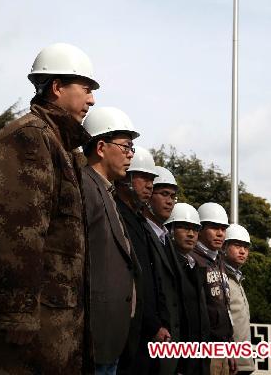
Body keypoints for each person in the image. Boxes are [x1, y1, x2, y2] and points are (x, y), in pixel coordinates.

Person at [0, 42, 99, 375]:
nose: (92, 99)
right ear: (57, 87)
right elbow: (15, 233)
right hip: (19, 346)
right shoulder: (28, 138)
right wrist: (18, 314)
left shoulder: (65, 149)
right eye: (86, 88)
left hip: (46, 338)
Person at [82, 107, 142, 375]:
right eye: (126, 146)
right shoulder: (85, 186)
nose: (131, 154)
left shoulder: (106, 192)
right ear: (102, 147)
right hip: (91, 338)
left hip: (109, 340)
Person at [115, 146, 164, 375]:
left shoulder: (138, 220)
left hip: (146, 334)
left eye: (152, 179)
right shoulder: (117, 214)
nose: (150, 185)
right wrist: (151, 324)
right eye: (144, 177)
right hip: (127, 333)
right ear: (126, 177)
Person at [143, 166, 188, 375]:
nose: (170, 201)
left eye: (173, 196)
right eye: (163, 194)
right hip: (149, 343)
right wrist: (153, 325)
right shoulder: (140, 231)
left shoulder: (166, 239)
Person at [191, 203, 236, 375]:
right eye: (214, 228)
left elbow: (224, 309)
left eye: (223, 229)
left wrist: (230, 347)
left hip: (223, 349)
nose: (220, 234)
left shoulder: (219, 261)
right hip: (204, 351)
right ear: (200, 229)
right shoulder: (192, 259)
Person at [165, 203, 210, 375]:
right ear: (170, 230)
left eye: (195, 229)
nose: (191, 234)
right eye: (184, 228)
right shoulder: (168, 265)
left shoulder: (194, 266)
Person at [223, 225, 254, 375]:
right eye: (237, 245)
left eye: (246, 248)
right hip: (231, 362)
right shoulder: (221, 276)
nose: (242, 251)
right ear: (224, 247)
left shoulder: (238, 278)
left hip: (243, 361)